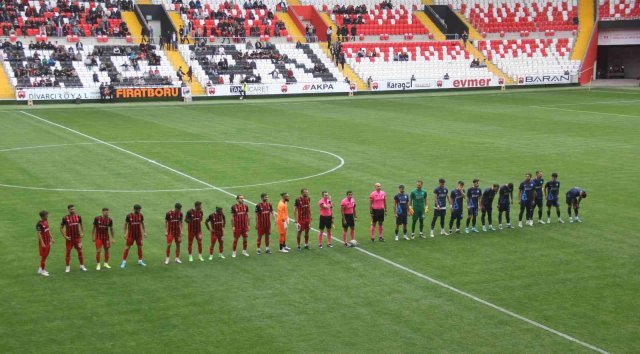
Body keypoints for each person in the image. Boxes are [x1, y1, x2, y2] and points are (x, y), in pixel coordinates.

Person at [60, 204, 86, 273]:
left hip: (77, 238)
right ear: (68, 210)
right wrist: (65, 236)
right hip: (69, 239)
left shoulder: (78, 217)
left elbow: (82, 224)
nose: (73, 210)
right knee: (68, 252)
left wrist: (83, 232)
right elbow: (61, 228)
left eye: (74, 209)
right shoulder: (65, 218)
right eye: (71, 209)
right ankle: (67, 267)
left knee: (80, 251)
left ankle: (82, 266)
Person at [121, 204, 146, 269]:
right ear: (135, 209)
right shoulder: (129, 216)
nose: (139, 211)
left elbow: (142, 224)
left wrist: (145, 232)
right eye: (138, 209)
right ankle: (123, 262)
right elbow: (125, 225)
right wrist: (124, 233)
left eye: (140, 209)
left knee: (139, 247)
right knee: (127, 248)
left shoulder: (141, 215)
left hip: (138, 235)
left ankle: (140, 261)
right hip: (130, 235)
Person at [36, 210, 55, 276]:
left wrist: (52, 238)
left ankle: (40, 269)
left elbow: (48, 231)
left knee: (45, 257)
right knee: (43, 257)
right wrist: (42, 243)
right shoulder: (39, 224)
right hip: (44, 243)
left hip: (48, 242)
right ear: (43, 216)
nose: (48, 216)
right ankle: (42, 271)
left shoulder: (46, 222)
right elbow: (39, 234)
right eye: (46, 215)